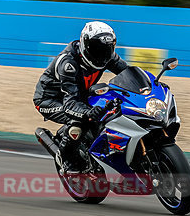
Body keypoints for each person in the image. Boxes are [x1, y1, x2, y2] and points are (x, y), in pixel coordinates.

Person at [33, 21, 128, 173]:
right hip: (50, 99)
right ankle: (65, 157)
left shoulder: (108, 56)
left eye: (106, 49)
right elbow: (70, 104)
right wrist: (87, 113)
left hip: (79, 93)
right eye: (97, 49)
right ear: (85, 45)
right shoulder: (68, 63)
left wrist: (150, 84)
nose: (102, 54)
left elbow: (128, 73)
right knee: (80, 120)